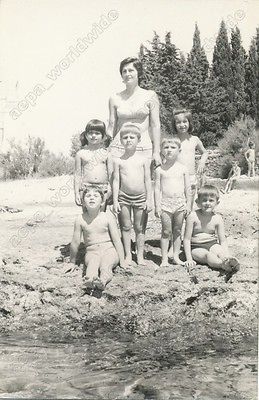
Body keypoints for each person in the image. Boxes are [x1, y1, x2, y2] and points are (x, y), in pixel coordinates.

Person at [70, 185, 125, 294]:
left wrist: (122, 261)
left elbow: (117, 240)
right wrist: (72, 262)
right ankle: (89, 279)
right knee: (92, 265)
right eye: (88, 196)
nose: (91, 198)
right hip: (92, 251)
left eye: (96, 196)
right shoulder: (80, 219)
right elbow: (75, 242)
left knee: (106, 265)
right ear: (83, 202)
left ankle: (102, 281)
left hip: (109, 249)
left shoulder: (108, 217)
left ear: (102, 202)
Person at [108, 57, 161, 166]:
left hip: (144, 147)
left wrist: (156, 152)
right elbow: (111, 125)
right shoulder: (114, 98)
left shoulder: (150, 95)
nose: (127, 74)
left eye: (131, 70)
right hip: (119, 148)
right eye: (124, 71)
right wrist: (105, 148)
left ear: (139, 73)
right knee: (118, 182)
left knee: (143, 182)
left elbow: (156, 125)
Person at [113, 123, 152, 266]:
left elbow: (148, 180)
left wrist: (149, 199)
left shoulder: (144, 160)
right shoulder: (118, 161)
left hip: (141, 197)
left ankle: (140, 256)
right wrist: (116, 201)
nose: (128, 140)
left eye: (132, 137)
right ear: (121, 141)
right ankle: (128, 255)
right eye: (125, 137)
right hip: (123, 197)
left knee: (139, 227)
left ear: (138, 139)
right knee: (125, 226)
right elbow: (116, 181)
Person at [184, 185, 240, 280]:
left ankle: (228, 261)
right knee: (207, 255)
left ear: (217, 203)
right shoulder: (192, 216)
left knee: (220, 252)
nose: (207, 203)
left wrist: (226, 254)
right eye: (204, 200)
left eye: (211, 200)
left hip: (212, 243)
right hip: (196, 247)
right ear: (197, 202)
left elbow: (222, 240)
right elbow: (186, 239)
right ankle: (221, 265)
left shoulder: (217, 218)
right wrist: (189, 258)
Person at [154, 137, 192, 266]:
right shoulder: (159, 170)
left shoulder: (183, 169)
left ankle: (175, 256)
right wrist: (157, 206)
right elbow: (157, 189)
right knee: (166, 231)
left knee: (177, 230)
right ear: (162, 150)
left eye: (173, 147)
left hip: (180, 204)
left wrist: (188, 204)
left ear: (179, 150)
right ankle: (164, 259)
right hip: (165, 204)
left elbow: (188, 189)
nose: (169, 150)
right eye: (166, 147)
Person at [172, 108, 208, 207]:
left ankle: (188, 221)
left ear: (189, 122)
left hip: (191, 176)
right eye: (178, 122)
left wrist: (201, 162)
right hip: (176, 177)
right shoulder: (172, 140)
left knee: (189, 206)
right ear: (174, 124)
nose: (182, 125)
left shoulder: (194, 139)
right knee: (177, 205)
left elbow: (205, 152)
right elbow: (163, 155)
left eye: (185, 121)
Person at [74, 119, 113, 208]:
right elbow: (77, 175)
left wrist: (110, 190)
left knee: (101, 216)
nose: (93, 136)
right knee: (87, 216)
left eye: (97, 133)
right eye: (90, 133)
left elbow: (111, 174)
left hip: (103, 188)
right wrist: (76, 193)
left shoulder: (107, 154)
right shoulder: (80, 154)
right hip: (86, 188)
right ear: (86, 135)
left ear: (103, 136)